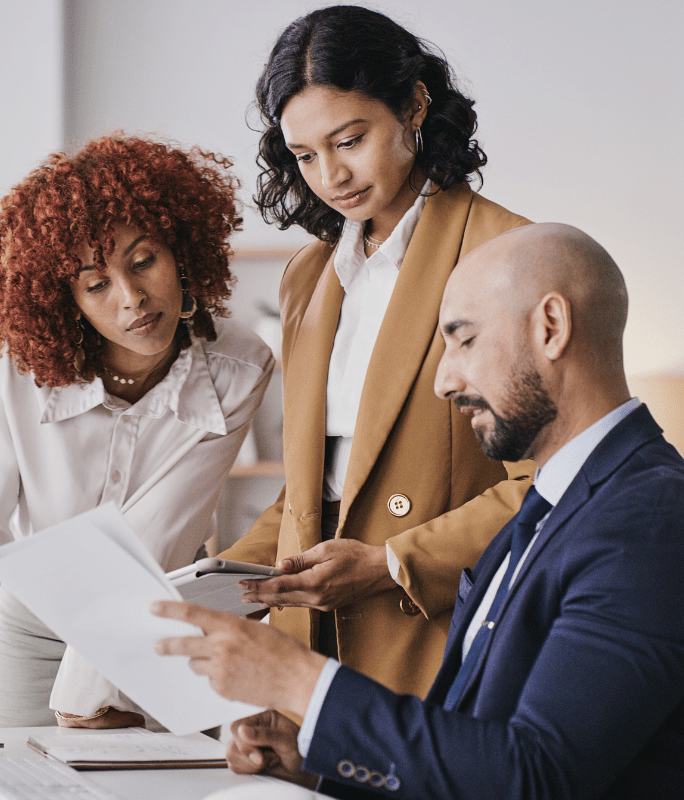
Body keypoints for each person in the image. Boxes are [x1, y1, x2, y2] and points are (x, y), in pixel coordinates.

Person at [154, 223, 684, 799]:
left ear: (550, 328)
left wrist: (302, 682)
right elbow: (479, 757)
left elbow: (538, 779)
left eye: (464, 339)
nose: (443, 380)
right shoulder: (552, 504)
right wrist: (318, 761)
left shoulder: (650, 520)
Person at [0, 134, 274, 735]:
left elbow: (162, 533)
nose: (133, 299)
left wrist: (93, 688)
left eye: (144, 261)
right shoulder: (17, 364)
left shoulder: (240, 367)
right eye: (96, 285)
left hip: (158, 622)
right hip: (33, 623)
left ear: (183, 250)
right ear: (64, 302)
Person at [220, 4, 532, 698]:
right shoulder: (308, 276)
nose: (331, 175)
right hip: (312, 646)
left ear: (415, 105)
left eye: (349, 140)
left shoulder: (506, 256)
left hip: (440, 637)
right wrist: (207, 587)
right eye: (305, 156)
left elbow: (551, 485)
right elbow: (317, 492)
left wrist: (393, 562)